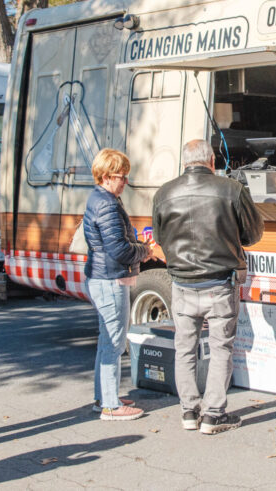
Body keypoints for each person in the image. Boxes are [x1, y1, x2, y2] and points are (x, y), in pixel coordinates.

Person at [152, 139, 264, 435]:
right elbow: (253, 235)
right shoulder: (231, 189)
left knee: (185, 349)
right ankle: (214, 414)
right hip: (219, 283)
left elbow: (161, 239)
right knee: (220, 348)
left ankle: (189, 411)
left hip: (182, 284)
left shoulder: (165, 193)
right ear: (211, 161)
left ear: (184, 162)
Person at [83, 148, 150, 422]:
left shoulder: (99, 199)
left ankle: (104, 398)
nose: (125, 182)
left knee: (105, 341)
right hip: (111, 278)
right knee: (113, 342)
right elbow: (119, 249)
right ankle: (111, 405)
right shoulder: (108, 204)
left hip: (101, 276)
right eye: (122, 177)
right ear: (107, 176)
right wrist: (145, 251)